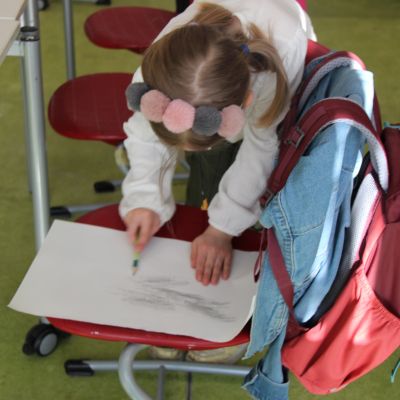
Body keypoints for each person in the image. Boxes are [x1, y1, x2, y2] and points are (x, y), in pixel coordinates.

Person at [120, 0, 316, 287]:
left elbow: (262, 148)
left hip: (283, 31)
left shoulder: (281, 61)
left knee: (253, 169)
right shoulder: (161, 62)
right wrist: (144, 199)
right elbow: (143, 132)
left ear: (245, 103)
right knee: (210, 173)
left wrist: (222, 229)